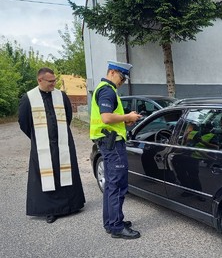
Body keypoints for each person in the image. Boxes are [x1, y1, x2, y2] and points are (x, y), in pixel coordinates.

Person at [18, 67, 85, 224]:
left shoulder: (60, 96)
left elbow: (68, 117)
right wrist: (37, 137)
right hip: (43, 146)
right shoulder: (29, 98)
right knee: (47, 176)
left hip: (62, 142)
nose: (54, 83)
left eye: (54, 80)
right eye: (50, 81)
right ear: (40, 80)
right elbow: (24, 122)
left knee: (66, 171)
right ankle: (50, 210)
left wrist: (60, 134)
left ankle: (71, 205)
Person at [90, 60, 142, 239]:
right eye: (122, 77)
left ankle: (111, 222)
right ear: (112, 72)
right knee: (118, 185)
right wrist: (128, 116)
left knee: (111, 186)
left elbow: (110, 118)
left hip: (108, 142)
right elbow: (105, 118)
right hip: (113, 144)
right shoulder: (107, 90)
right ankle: (117, 226)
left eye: (125, 79)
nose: (123, 81)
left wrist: (125, 121)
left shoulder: (105, 89)